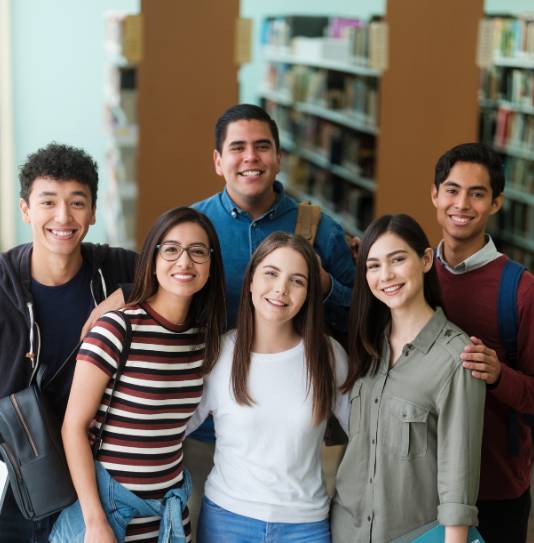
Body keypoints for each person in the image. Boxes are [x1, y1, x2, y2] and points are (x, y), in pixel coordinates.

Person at [49, 207, 226, 543]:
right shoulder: (117, 329)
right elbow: (73, 427)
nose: (184, 262)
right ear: (153, 259)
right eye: (171, 249)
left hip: (169, 517)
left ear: (211, 264)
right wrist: (95, 521)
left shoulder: (203, 338)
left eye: (198, 251)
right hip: (108, 516)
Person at [0, 143, 136, 543]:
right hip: (16, 481)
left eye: (77, 203)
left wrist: (126, 293)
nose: (63, 217)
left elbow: (195, 279)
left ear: (93, 212)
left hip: (97, 480)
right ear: (25, 210)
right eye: (48, 202)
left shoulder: (117, 268)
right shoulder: (3, 280)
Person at [332, 214, 485, 543]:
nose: (385, 275)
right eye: (373, 265)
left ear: (426, 259)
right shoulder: (366, 344)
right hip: (347, 530)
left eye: (397, 259)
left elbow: (459, 478)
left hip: (415, 534)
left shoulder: (456, 358)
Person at [186, 232, 348, 543]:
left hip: (306, 526)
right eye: (271, 273)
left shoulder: (327, 356)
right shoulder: (220, 354)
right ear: (250, 282)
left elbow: (368, 432)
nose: (281, 289)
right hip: (226, 521)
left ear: (308, 294)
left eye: (297, 281)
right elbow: (172, 427)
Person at [431, 142, 534, 543]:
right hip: (423, 484)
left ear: (496, 203)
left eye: (477, 193)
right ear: (435, 194)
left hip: (494, 489)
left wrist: (498, 376)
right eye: (453, 190)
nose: (462, 204)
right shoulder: (413, 276)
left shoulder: (521, 291)